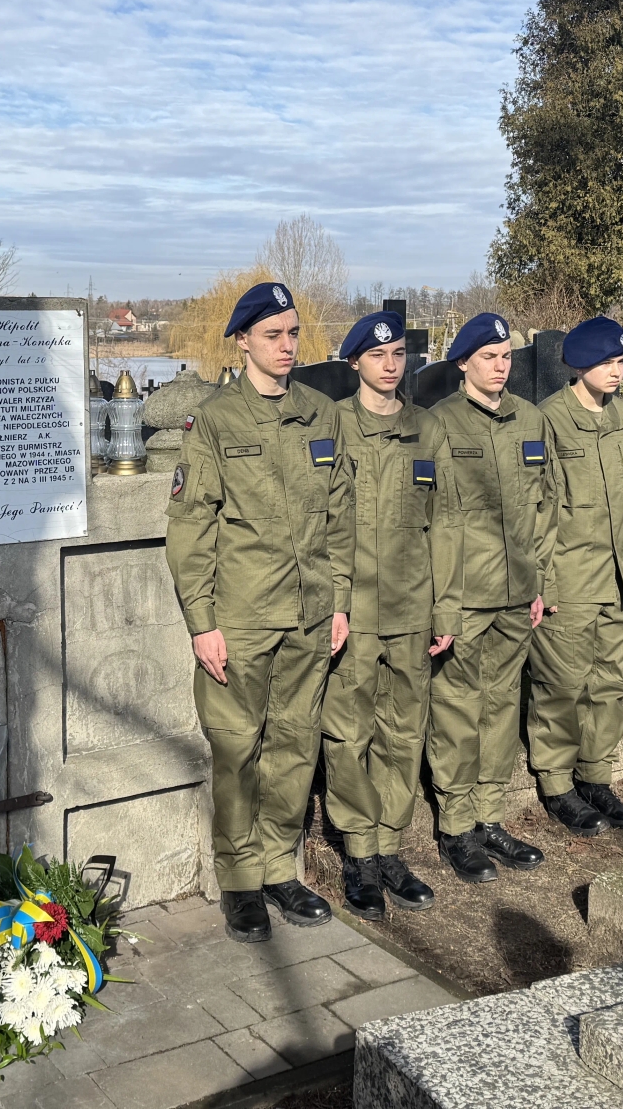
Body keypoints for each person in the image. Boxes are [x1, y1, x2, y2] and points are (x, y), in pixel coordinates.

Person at [165, 280, 352, 943]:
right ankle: (241, 880)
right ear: (242, 339)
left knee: (295, 744)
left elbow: (340, 517)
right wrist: (202, 622)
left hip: (308, 613)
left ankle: (279, 866)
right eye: (273, 334)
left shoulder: (319, 415)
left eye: (293, 333)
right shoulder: (216, 421)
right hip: (241, 618)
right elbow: (191, 530)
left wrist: (340, 600)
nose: (286, 346)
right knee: (238, 750)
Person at [322, 311, 450, 920]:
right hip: (354, 611)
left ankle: (391, 845)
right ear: (355, 364)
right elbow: (321, 524)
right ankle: (357, 850)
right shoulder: (332, 427)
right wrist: (333, 604)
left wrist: (444, 606)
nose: (392, 364)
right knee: (349, 731)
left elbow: (446, 524)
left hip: (412, 605)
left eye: (399, 353)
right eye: (379, 356)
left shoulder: (427, 431)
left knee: (405, 728)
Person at [422, 312, 547, 883]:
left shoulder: (529, 420)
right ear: (463, 363)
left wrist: (538, 581)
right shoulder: (439, 426)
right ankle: (455, 825)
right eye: (489, 357)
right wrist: (442, 605)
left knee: (501, 707)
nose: (500, 367)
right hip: (465, 596)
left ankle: (490, 815)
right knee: (456, 709)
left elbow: (544, 505)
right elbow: (430, 520)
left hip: (517, 593)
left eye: (506, 358)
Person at [526, 316, 623, 836]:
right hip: (571, 579)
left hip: (621, 577)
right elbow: (538, 509)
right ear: (579, 365)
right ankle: (557, 783)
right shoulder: (548, 421)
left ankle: (595, 775)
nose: (616, 371)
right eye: (606, 362)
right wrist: (546, 583)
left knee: (609, 683)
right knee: (561, 685)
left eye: (621, 361)